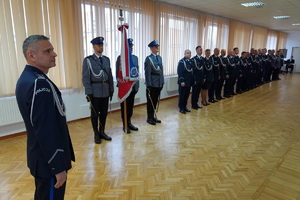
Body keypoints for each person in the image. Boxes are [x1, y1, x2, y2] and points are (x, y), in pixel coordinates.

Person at [15, 35, 75, 200]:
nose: (54, 54)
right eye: (47, 51)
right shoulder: (38, 83)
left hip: (41, 158)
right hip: (48, 162)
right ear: (31, 55)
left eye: (52, 50)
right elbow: (45, 129)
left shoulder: (29, 78)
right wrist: (58, 167)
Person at [82, 36, 114, 144]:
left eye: (102, 45)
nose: (101, 47)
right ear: (94, 46)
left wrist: (111, 89)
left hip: (105, 90)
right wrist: (88, 92)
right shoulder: (88, 60)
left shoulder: (106, 60)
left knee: (104, 113)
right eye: (98, 45)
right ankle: (96, 133)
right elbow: (86, 78)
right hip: (95, 92)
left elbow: (110, 76)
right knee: (95, 114)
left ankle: (102, 131)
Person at [116, 38, 139, 133]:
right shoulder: (120, 58)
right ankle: (125, 124)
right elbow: (118, 72)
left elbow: (137, 72)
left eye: (131, 46)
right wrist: (120, 85)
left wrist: (137, 86)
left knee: (130, 107)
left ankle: (129, 122)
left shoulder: (135, 58)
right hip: (124, 87)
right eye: (129, 46)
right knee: (124, 107)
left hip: (132, 87)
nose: (131, 48)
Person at [144, 40, 164, 125]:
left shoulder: (159, 58)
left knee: (155, 101)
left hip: (159, 82)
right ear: (151, 48)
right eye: (155, 47)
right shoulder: (148, 59)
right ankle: (149, 118)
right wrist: (149, 85)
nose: (157, 48)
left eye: (157, 47)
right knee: (150, 101)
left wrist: (162, 81)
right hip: (152, 83)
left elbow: (161, 70)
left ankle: (153, 116)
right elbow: (147, 73)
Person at [177, 49, 193, 114]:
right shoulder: (181, 62)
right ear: (185, 54)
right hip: (183, 82)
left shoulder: (190, 62)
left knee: (186, 95)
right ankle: (181, 108)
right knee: (182, 95)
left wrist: (192, 81)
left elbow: (191, 72)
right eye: (187, 53)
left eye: (190, 53)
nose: (189, 54)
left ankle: (185, 106)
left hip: (189, 82)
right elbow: (180, 72)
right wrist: (182, 81)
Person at [191, 46, 205, 110]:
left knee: (198, 92)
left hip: (201, 78)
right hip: (196, 79)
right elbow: (193, 71)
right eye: (200, 50)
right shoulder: (193, 59)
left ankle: (196, 103)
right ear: (196, 51)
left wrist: (204, 77)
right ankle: (193, 105)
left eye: (201, 50)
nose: (201, 51)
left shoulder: (202, 58)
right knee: (194, 92)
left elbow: (203, 69)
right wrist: (194, 79)